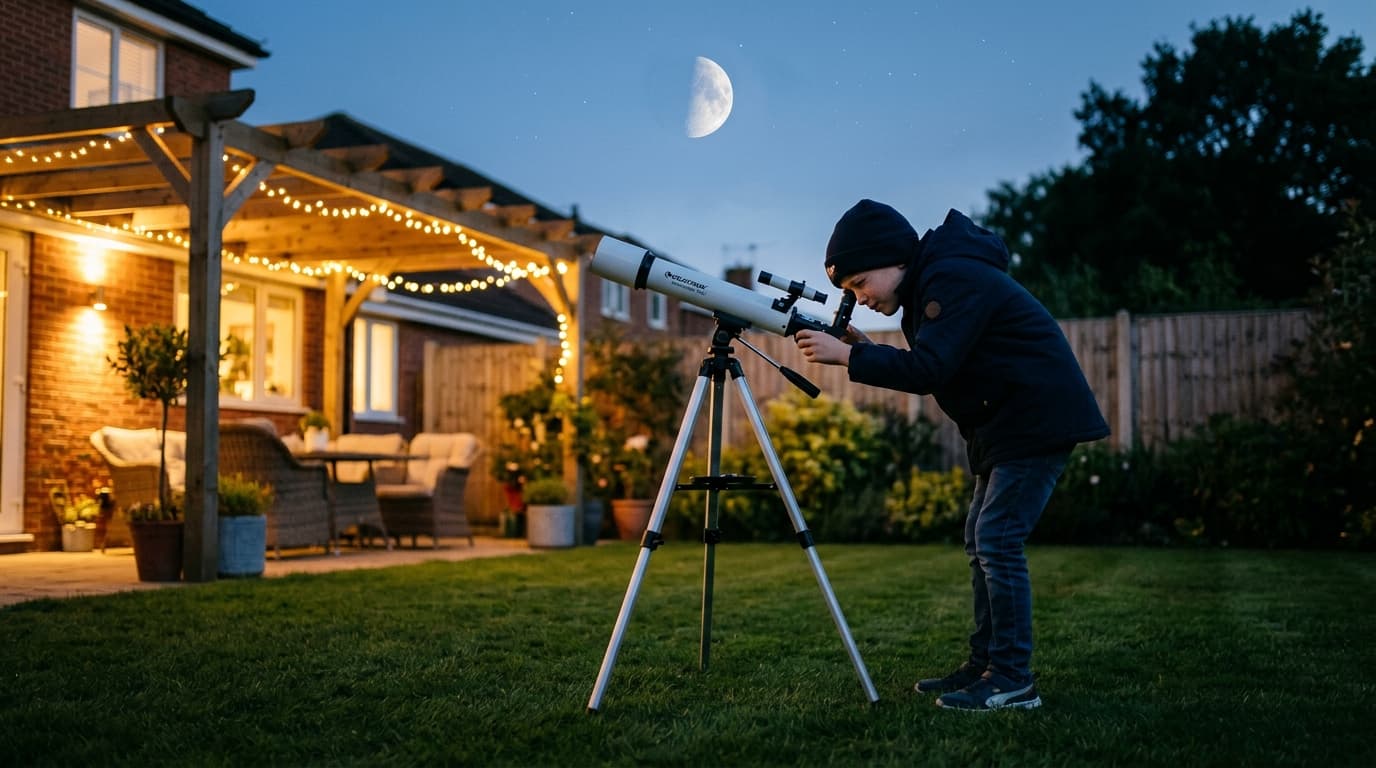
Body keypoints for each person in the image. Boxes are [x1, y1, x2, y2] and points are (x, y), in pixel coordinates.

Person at [794, 199, 1109, 711]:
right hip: (1006, 424)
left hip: (1035, 419)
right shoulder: (931, 284)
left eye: (859, 283)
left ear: (893, 257)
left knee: (997, 539)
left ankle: (1011, 678)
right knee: (980, 538)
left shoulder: (952, 276)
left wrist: (852, 357)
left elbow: (928, 369)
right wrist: (861, 345)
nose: (860, 297)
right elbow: (936, 359)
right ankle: (985, 664)